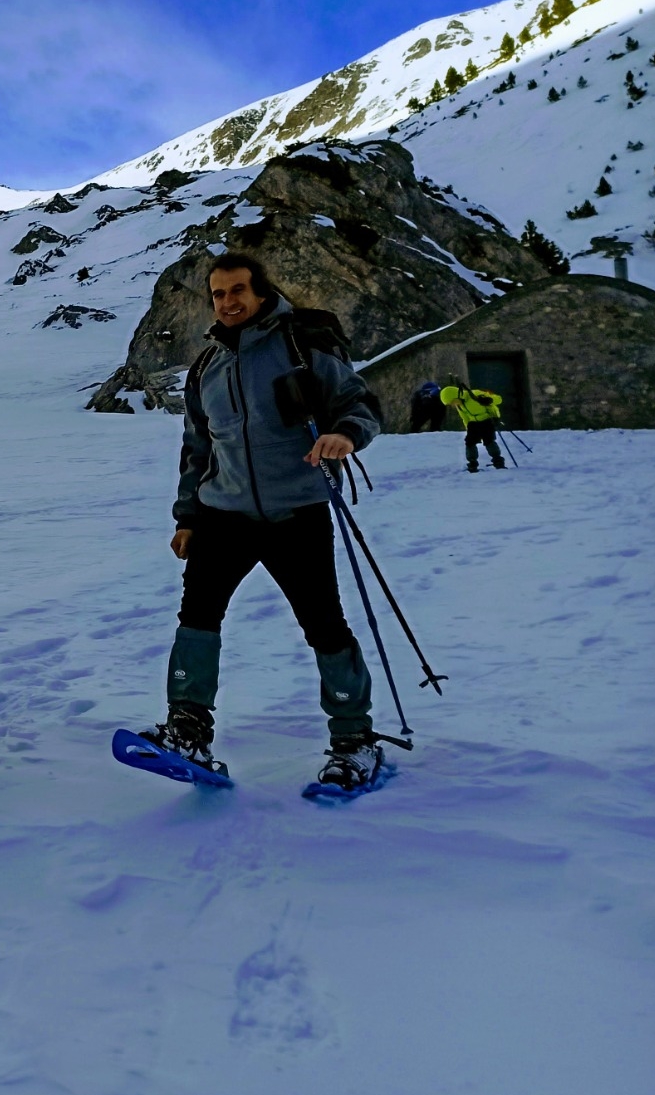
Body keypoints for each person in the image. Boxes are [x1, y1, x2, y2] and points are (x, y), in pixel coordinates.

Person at [143, 253, 386, 791]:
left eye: (237, 291)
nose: (228, 302)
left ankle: (354, 740)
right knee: (197, 615)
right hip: (222, 514)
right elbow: (197, 449)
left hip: (295, 509)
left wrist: (345, 434)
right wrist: (187, 517)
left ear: (260, 292)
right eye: (218, 295)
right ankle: (187, 729)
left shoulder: (301, 345)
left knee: (322, 621)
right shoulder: (207, 367)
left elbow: (360, 402)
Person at [437, 381, 506, 471]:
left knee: (489, 441)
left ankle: (498, 462)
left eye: (453, 401)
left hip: (487, 421)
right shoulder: (460, 405)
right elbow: (465, 418)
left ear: (457, 395)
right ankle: (472, 463)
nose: (453, 404)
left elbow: (499, 399)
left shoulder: (475, 395)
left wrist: (490, 400)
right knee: (469, 442)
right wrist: (468, 428)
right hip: (473, 424)